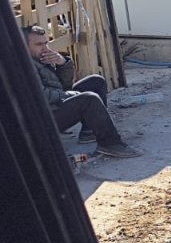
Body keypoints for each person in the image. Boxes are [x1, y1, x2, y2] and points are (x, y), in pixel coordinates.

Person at [25, 26, 141, 158]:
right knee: (89, 99)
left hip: (54, 106)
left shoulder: (40, 59)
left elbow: (65, 85)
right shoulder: (22, 66)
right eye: (39, 44)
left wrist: (63, 63)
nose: (45, 48)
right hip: (41, 121)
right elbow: (42, 97)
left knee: (96, 81)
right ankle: (110, 143)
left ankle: (89, 132)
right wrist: (69, 95)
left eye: (46, 43)